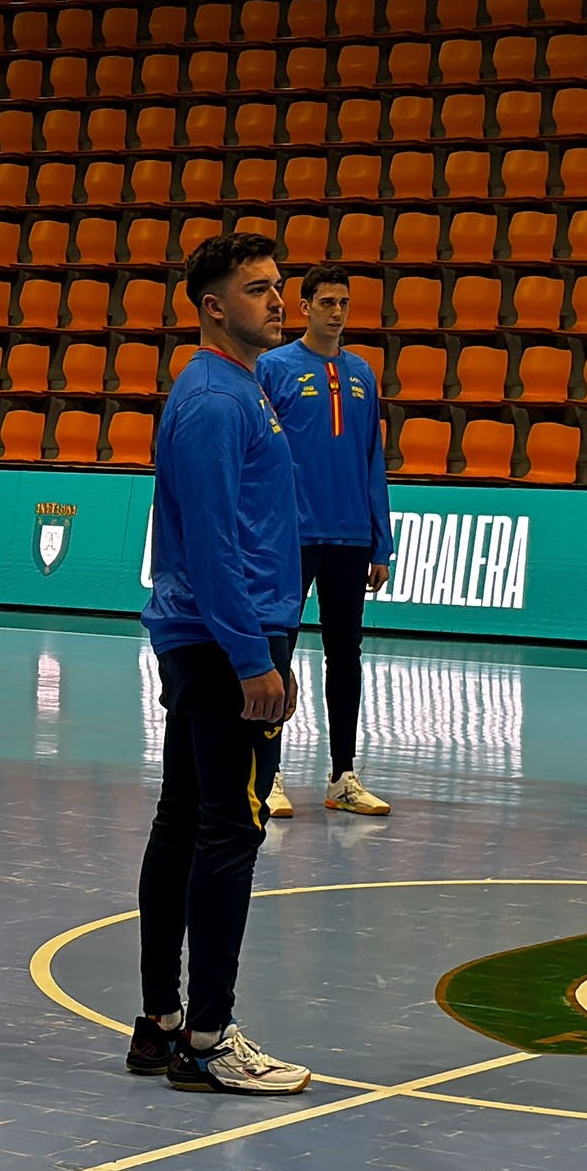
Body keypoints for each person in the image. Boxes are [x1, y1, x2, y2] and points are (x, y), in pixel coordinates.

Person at [126, 232, 311, 1094]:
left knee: (185, 822)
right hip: (221, 642)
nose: (278, 301)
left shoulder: (245, 388)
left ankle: (161, 1024)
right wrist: (253, 658)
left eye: (279, 287)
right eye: (258, 289)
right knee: (229, 832)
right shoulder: (212, 400)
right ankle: (207, 1035)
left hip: (223, 636)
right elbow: (210, 545)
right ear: (212, 306)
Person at [255, 264, 395, 820]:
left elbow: (372, 461)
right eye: (327, 302)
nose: (338, 311)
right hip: (289, 536)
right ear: (305, 306)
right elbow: (258, 454)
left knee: (346, 656)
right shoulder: (273, 368)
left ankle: (342, 776)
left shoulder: (362, 373)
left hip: (349, 538)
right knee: (277, 651)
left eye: (345, 302)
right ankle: (269, 776)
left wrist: (379, 542)